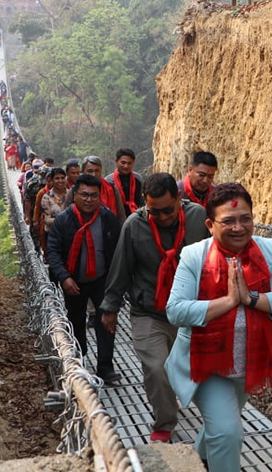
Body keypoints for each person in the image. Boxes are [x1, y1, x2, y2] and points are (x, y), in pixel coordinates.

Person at [165, 183, 272, 470]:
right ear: (210, 224)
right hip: (206, 363)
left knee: (221, 426)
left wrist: (252, 298)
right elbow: (175, 310)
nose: (239, 227)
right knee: (228, 431)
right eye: (228, 220)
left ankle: (197, 459)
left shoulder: (271, 251)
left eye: (245, 218)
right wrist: (230, 301)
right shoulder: (194, 256)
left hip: (248, 362)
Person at [101, 173, 209, 442]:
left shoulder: (198, 218)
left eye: (167, 210)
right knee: (157, 368)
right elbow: (121, 267)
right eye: (154, 211)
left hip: (189, 310)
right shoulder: (134, 226)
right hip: (149, 309)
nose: (161, 217)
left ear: (179, 199)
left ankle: (209, 421)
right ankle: (164, 421)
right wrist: (110, 307)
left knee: (189, 368)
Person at [47, 174, 122, 384]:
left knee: (106, 323)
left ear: (99, 197)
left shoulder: (107, 218)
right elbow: (52, 251)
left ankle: (105, 368)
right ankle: (80, 364)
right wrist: (64, 278)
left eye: (93, 196)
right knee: (76, 322)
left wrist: (117, 285)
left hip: (101, 280)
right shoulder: (64, 220)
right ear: (75, 195)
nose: (89, 200)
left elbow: (118, 251)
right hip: (74, 282)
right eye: (84, 195)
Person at [78, 155, 125, 221]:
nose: (94, 174)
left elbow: (121, 215)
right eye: (90, 171)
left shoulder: (112, 188)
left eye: (97, 171)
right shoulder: (75, 190)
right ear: (83, 172)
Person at [105, 148, 144, 217]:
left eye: (129, 163)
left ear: (133, 163)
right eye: (123, 163)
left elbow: (141, 200)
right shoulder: (109, 181)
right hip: (115, 217)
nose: (126, 166)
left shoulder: (138, 179)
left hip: (135, 215)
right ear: (116, 161)